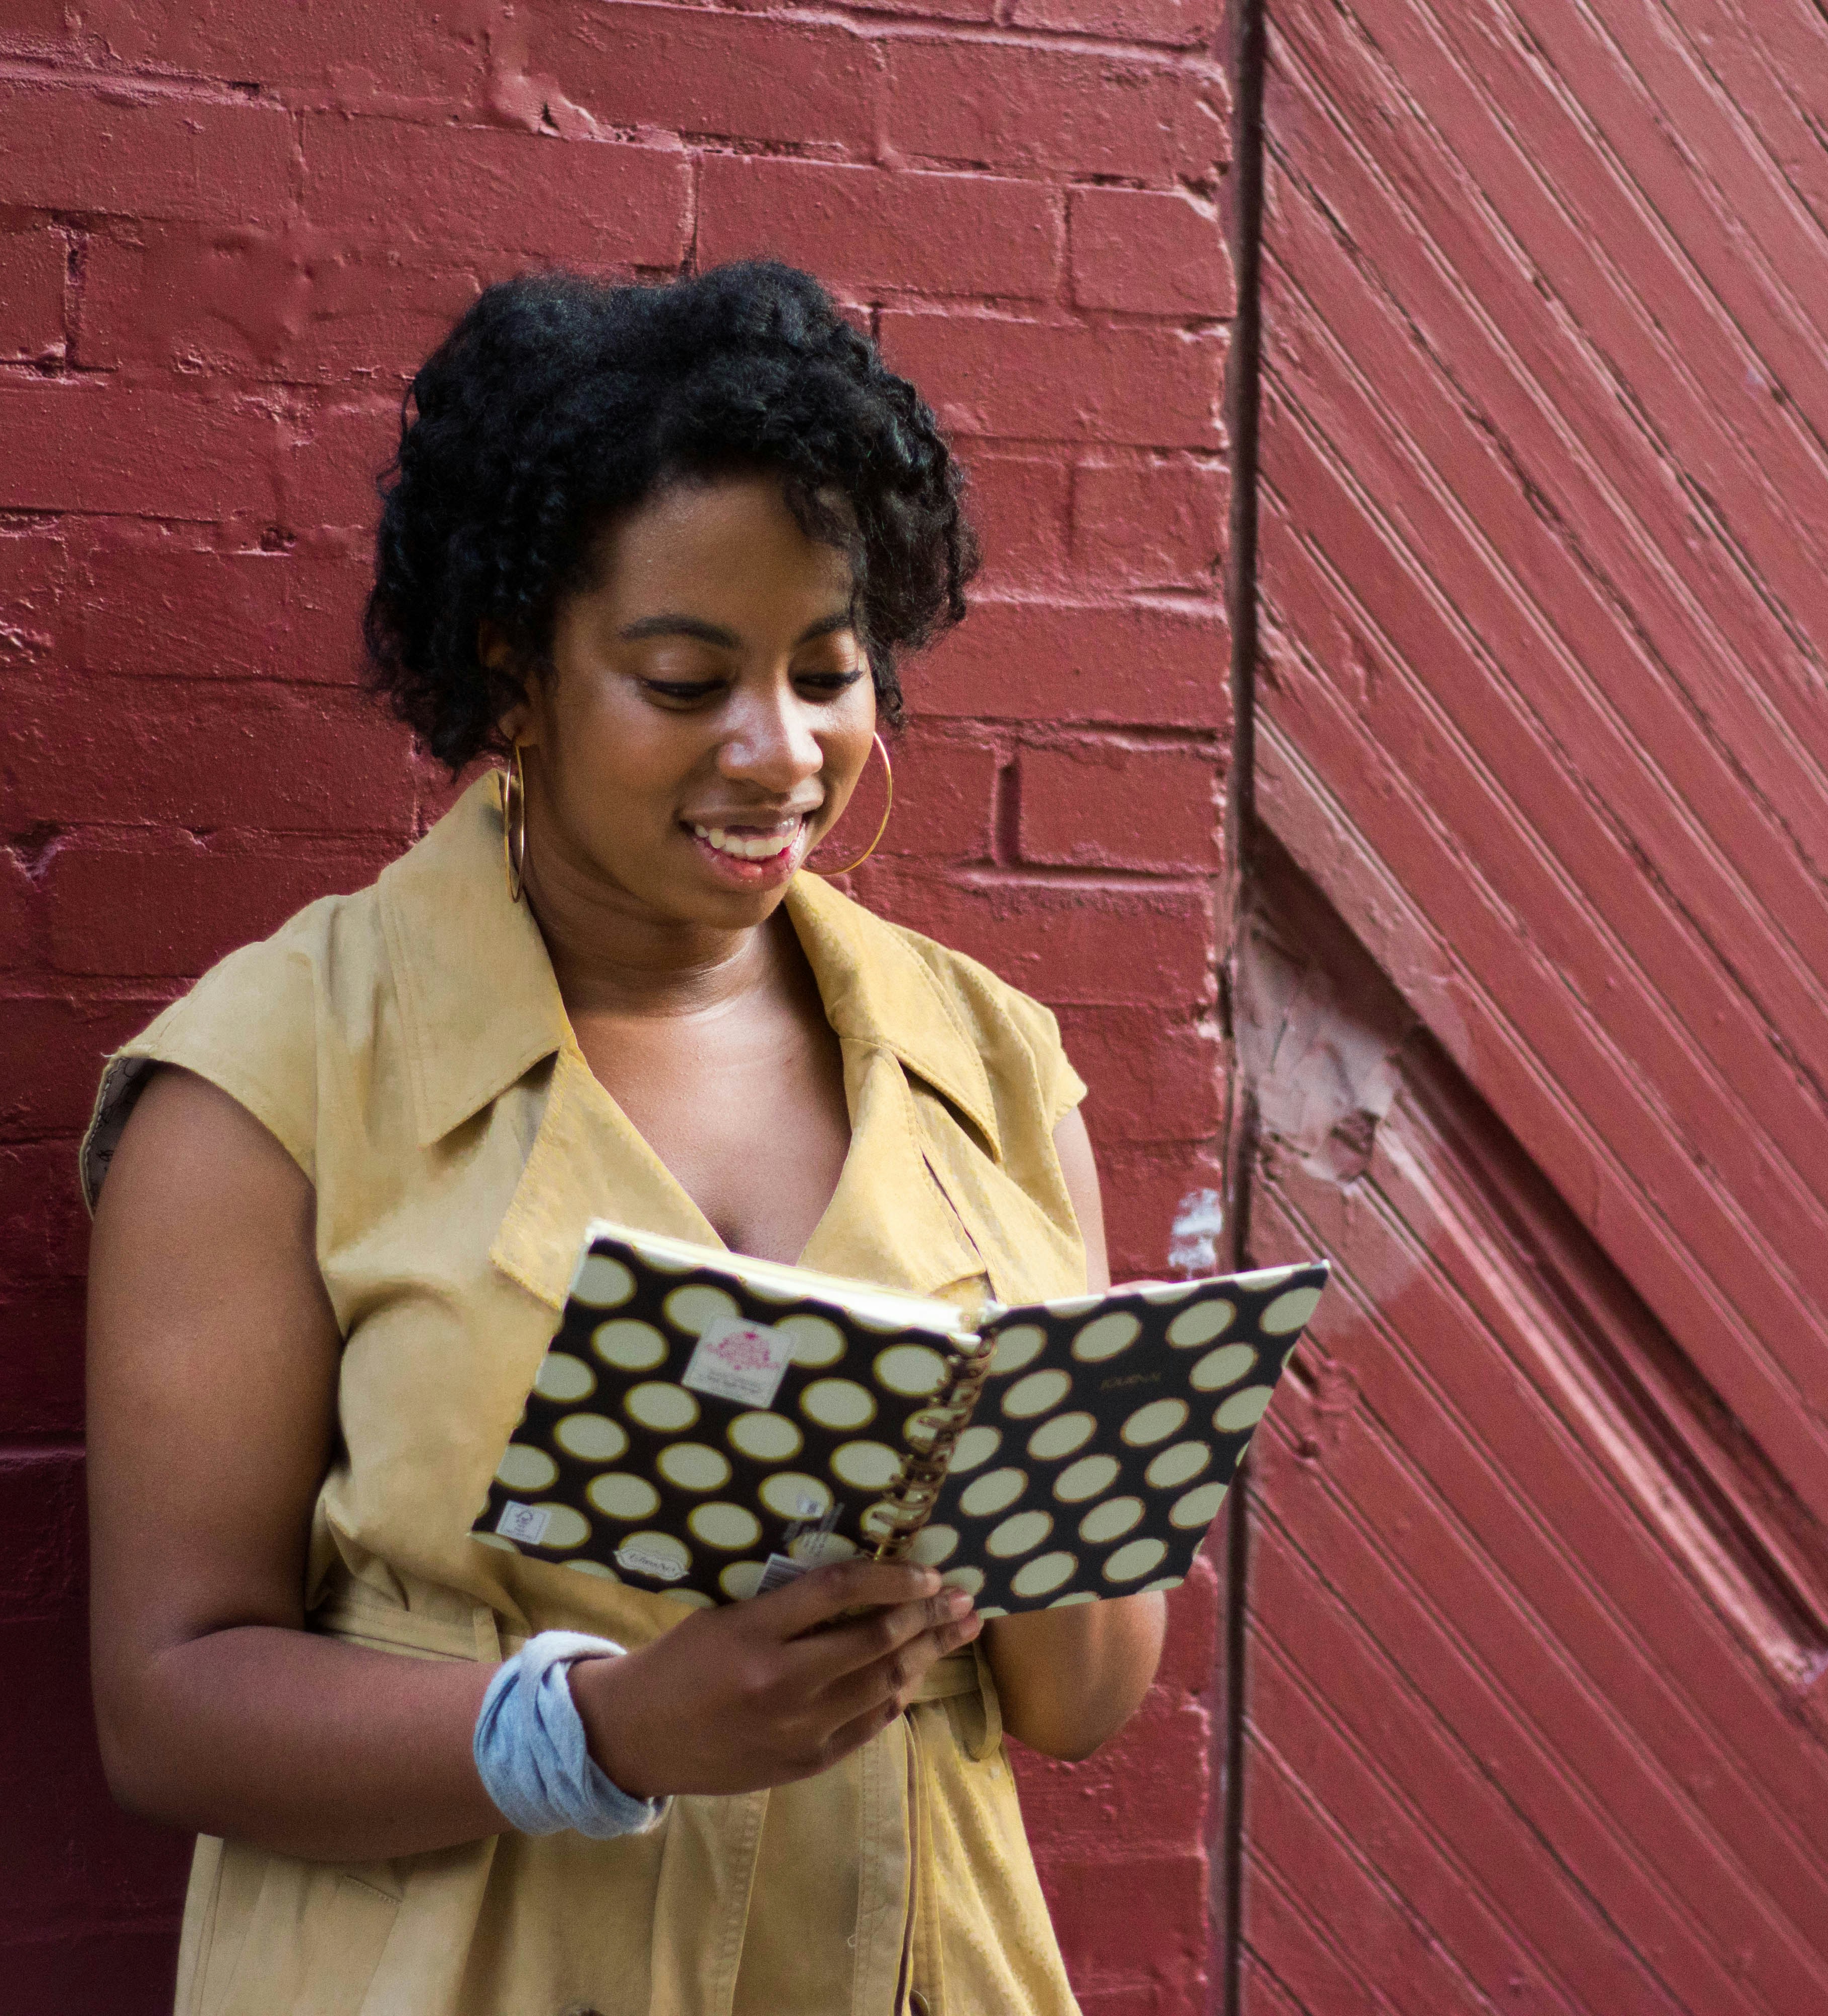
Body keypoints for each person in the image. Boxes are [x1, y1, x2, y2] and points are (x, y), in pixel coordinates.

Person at [80, 261, 1166, 2015]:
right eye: (684, 679)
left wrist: (1020, 1518)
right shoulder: (275, 1085)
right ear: (515, 673)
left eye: (830, 669)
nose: (779, 749)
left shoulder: (988, 1067)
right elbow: (168, 1702)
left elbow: (1083, 1701)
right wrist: (592, 1734)